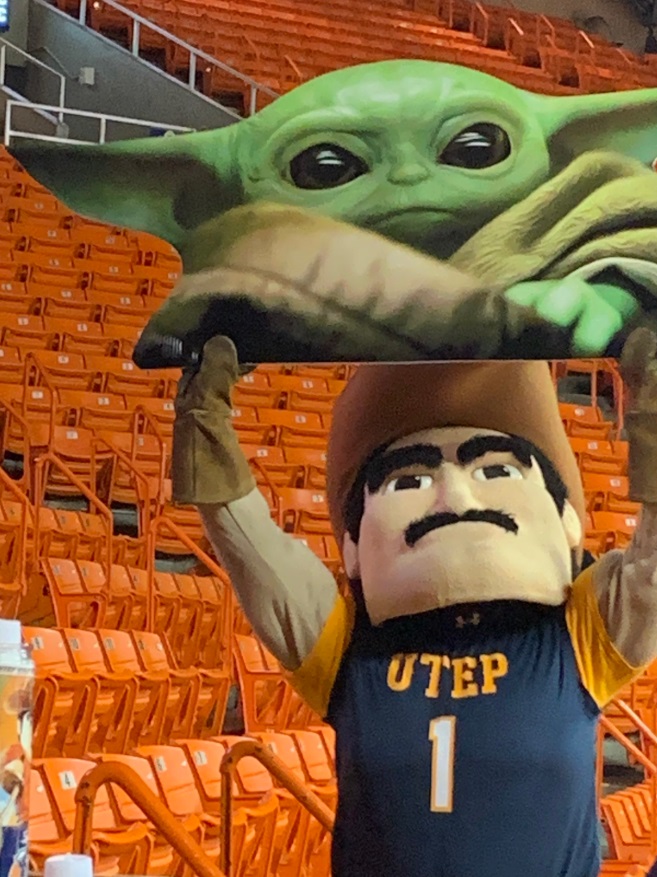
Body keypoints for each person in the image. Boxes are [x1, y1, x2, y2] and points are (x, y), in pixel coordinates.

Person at [170, 331, 657, 877]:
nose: (456, 497)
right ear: (352, 544)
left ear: (566, 520)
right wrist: (204, 418)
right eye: (412, 479)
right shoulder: (345, 646)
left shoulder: (578, 633)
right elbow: (251, 546)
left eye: (494, 471)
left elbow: (650, 570)